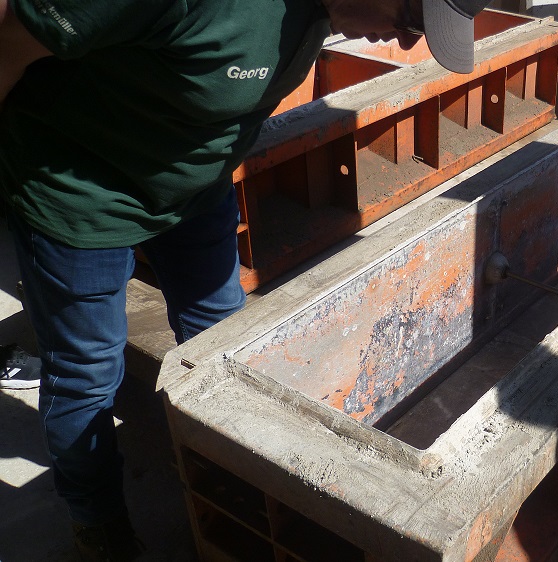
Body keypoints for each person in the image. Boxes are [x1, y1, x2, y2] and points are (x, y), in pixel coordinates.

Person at [0, 0, 491, 559]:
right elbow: (11, 36)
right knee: (87, 374)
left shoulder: (324, 10)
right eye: (411, 20)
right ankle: (98, 525)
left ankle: (228, 486)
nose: (406, 42)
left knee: (226, 342)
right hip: (81, 193)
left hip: (195, 188)